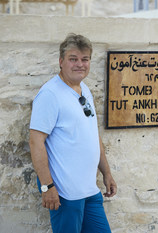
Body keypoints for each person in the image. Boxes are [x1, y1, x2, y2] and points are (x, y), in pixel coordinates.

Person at [29, 33, 117, 233]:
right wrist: (47, 187)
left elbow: (92, 135)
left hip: (89, 190)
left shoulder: (84, 89)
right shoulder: (50, 94)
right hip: (65, 194)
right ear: (61, 62)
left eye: (85, 59)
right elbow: (36, 142)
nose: (80, 64)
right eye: (73, 59)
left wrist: (107, 172)